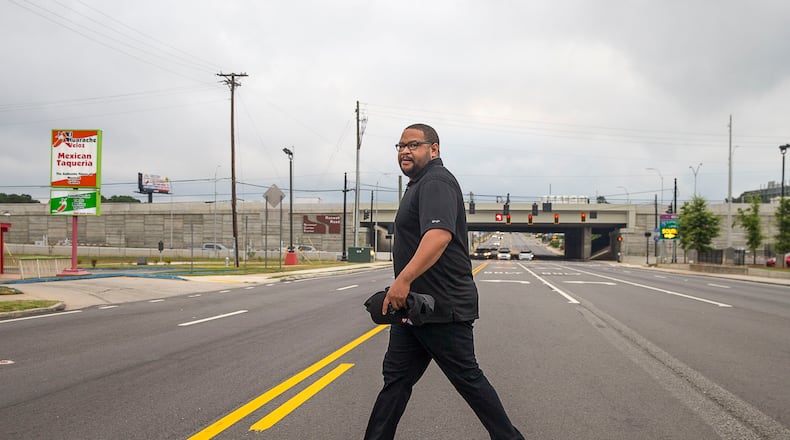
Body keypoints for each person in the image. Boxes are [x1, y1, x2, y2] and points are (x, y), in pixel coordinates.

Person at [364, 124, 525, 439]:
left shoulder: (436, 181)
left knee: (468, 380)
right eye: (400, 146)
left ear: (433, 149)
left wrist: (403, 280)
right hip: (415, 309)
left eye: (413, 145)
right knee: (395, 382)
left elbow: (438, 236)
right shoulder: (418, 184)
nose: (404, 151)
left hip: (442, 308)